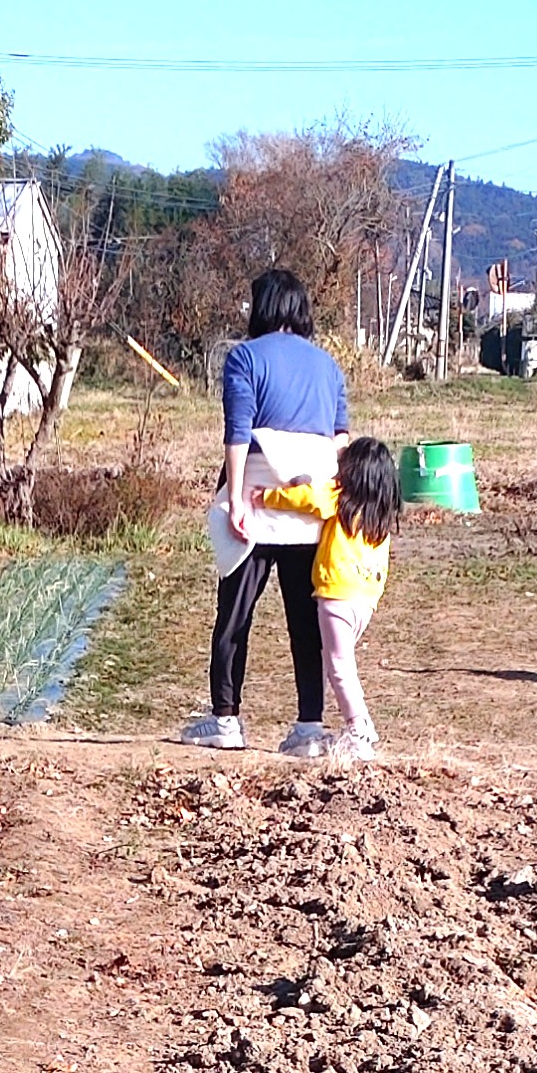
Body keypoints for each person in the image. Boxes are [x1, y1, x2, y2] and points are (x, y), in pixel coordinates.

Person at [178, 267, 345, 754]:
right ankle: (309, 727)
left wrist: (234, 497)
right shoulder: (328, 366)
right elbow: (340, 439)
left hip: (253, 499)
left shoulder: (245, 357)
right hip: (308, 509)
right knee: (306, 622)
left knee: (234, 615)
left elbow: (237, 433)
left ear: (263, 306)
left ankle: (226, 719)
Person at [316, 436, 401, 760]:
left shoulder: (338, 499)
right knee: (337, 661)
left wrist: (267, 495)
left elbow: (309, 499)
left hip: (336, 594)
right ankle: (350, 725)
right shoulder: (380, 513)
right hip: (365, 599)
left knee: (339, 665)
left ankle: (358, 727)